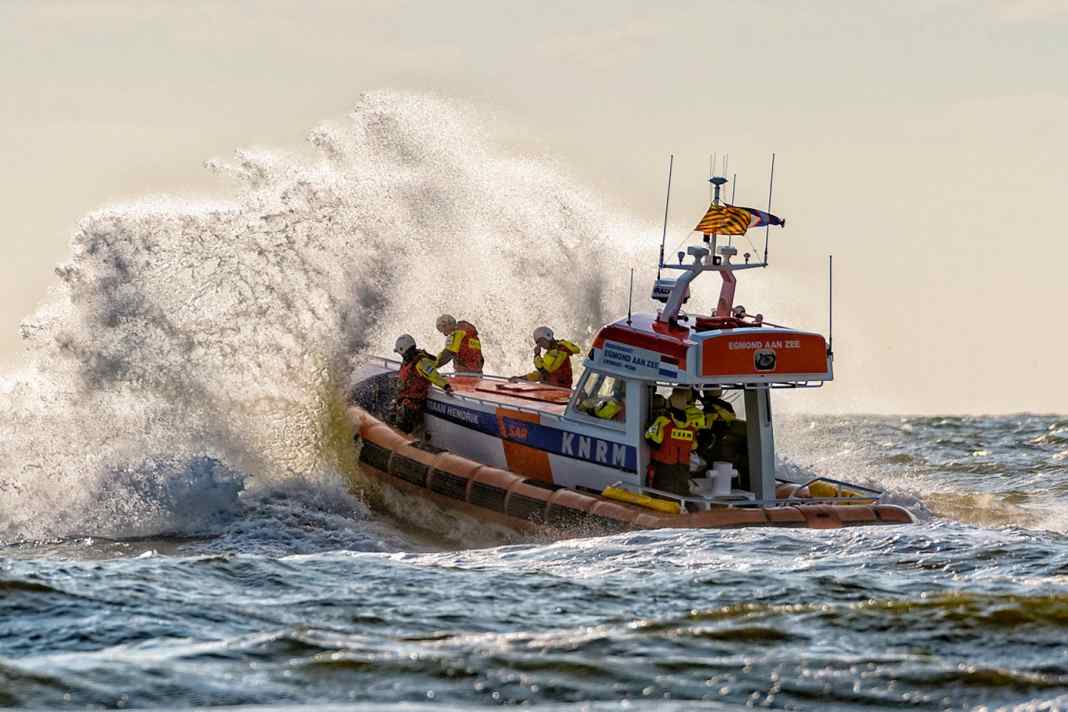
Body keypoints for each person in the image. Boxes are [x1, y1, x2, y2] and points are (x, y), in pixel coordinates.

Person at [644, 387, 705, 497]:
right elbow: (694, 446)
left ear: (670, 403)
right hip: (683, 469)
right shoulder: (691, 426)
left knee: (662, 496)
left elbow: (651, 439)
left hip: (664, 469)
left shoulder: (663, 421)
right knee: (681, 496)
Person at [392, 334, 453, 435]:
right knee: (395, 411)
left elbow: (433, 375)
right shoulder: (408, 361)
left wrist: (446, 386)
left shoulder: (421, 362)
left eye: (400, 353)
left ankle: (406, 437)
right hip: (405, 397)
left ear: (404, 350)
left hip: (414, 401)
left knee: (404, 421)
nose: (400, 355)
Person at [509, 326, 581, 388]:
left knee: (542, 377)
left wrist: (537, 355)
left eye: (540, 342)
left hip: (559, 389)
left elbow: (543, 372)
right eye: (538, 343)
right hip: (559, 387)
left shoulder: (558, 352)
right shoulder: (559, 348)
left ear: (547, 337)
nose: (540, 346)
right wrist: (520, 378)